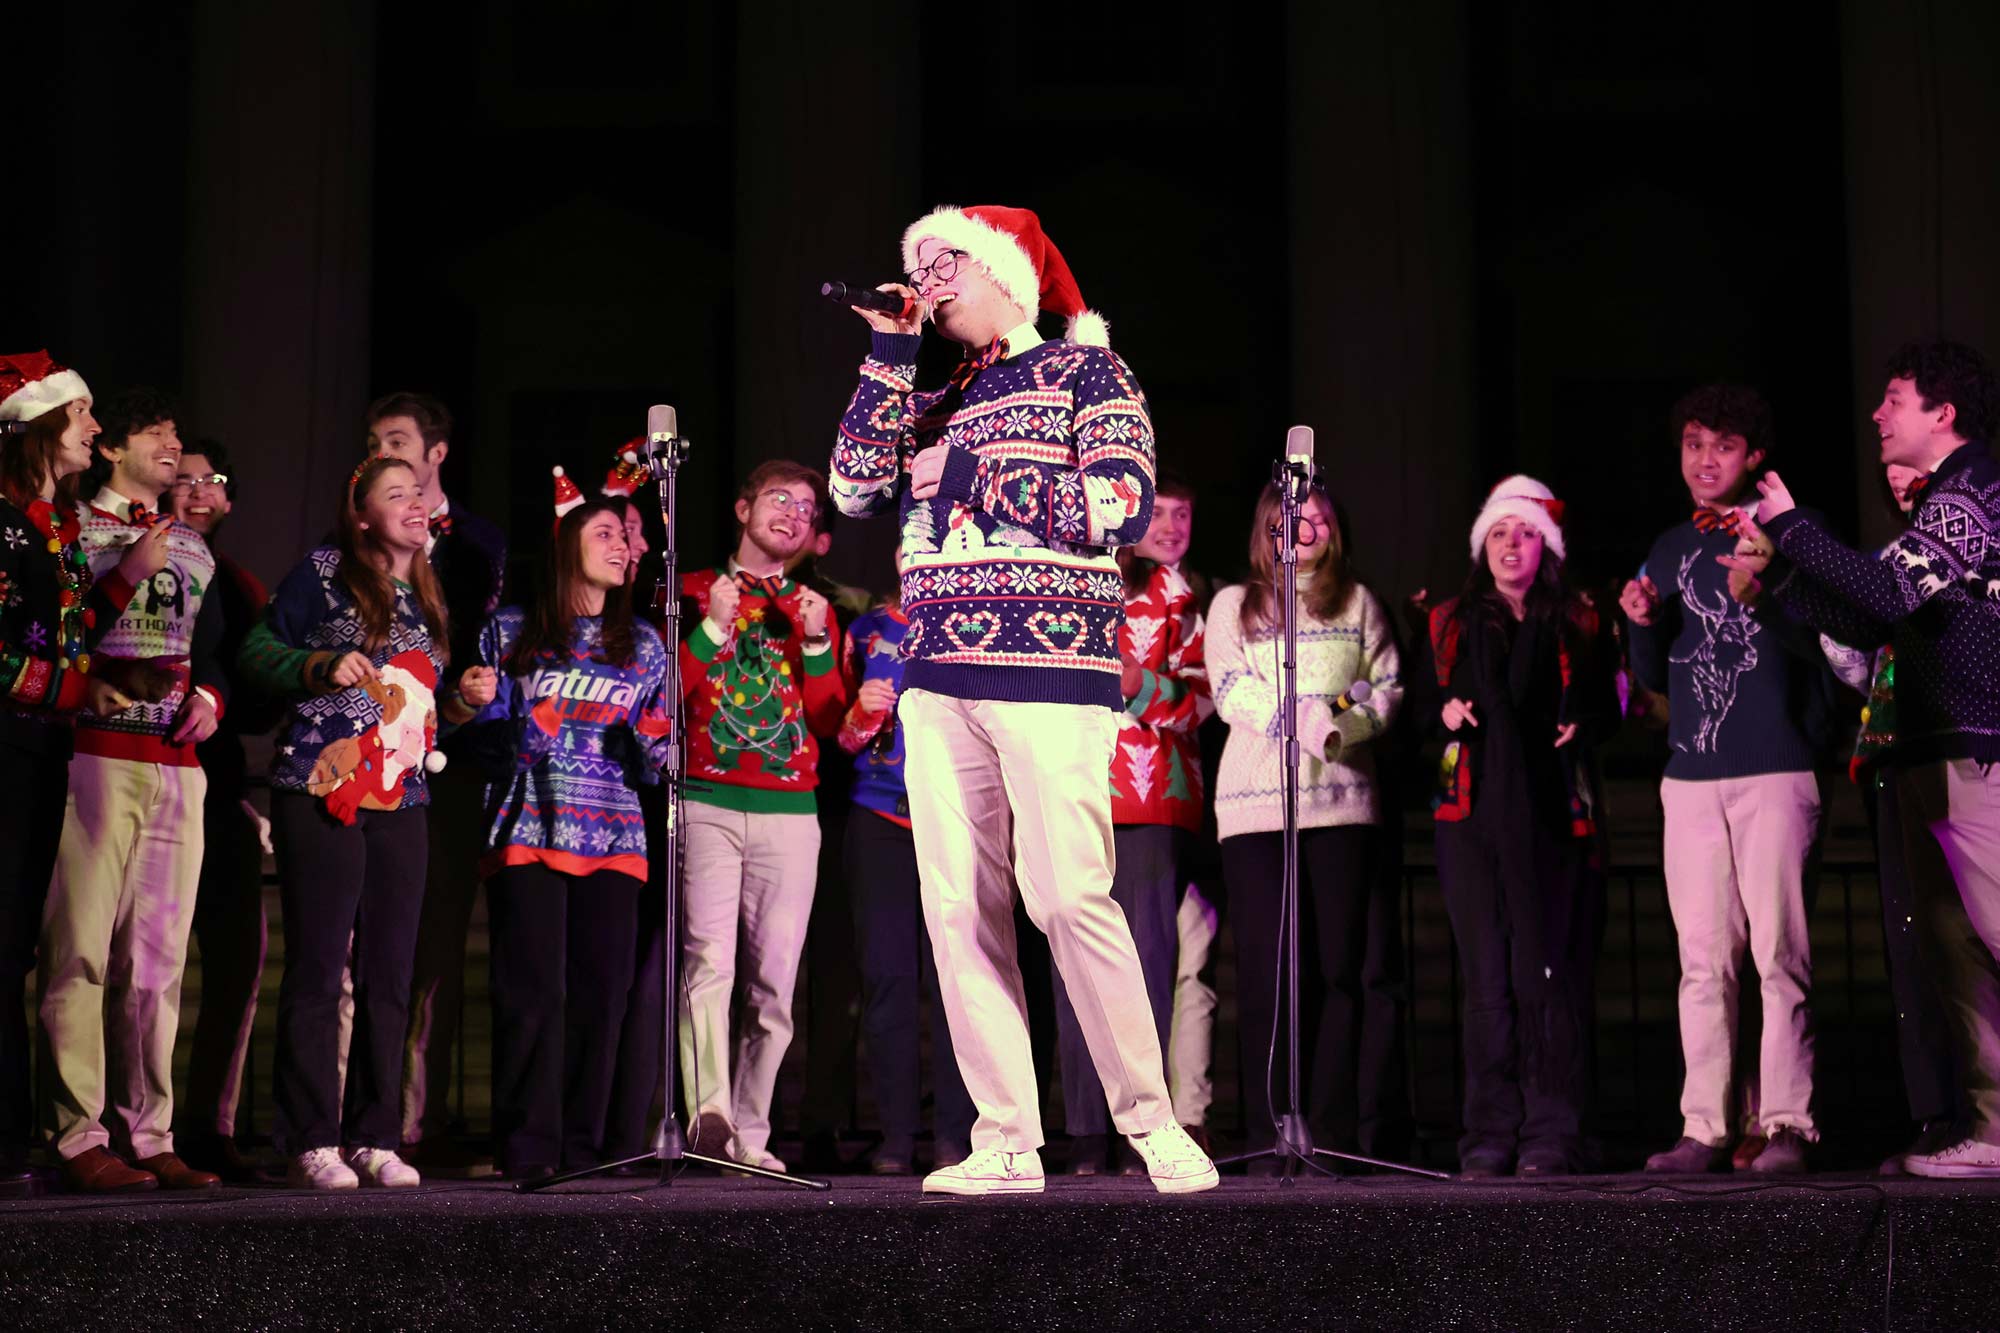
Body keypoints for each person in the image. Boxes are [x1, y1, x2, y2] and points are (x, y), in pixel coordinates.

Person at [830, 203, 1217, 1195]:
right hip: (938, 672)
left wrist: (970, 472)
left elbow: (1117, 509)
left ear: (1006, 267)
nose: (927, 275)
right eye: (915, 261)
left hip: (1050, 671)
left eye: (942, 258)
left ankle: (1150, 1123)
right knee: (957, 909)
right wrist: (886, 355)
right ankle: (1004, 1136)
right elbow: (852, 488)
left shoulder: (1090, 372)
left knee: (1065, 894)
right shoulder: (940, 390)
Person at [1728, 340, 2000, 1179]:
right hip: (1930, 749)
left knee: (1994, 935)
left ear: (1941, 413)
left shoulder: (1973, 492)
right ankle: (1993, 1133)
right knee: (1959, 951)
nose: (1877, 415)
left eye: (1893, 399)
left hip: (1975, 752)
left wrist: (1791, 526)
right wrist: (1774, 578)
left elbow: (1882, 594)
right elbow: (1871, 623)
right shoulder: (1937, 511)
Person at [239, 456, 495, 1189]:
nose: (415, 503)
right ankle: (309, 1136)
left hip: (404, 796)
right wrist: (319, 663)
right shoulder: (322, 572)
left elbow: (414, 714)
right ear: (360, 516)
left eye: (419, 492)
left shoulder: (429, 594)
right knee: (321, 969)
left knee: (390, 971)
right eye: (395, 494)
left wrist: (464, 704)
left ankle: (374, 1134)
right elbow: (258, 651)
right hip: (322, 786)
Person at [1620, 386, 1829, 1176]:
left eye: (1724, 446)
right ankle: (1704, 1123)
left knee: (1780, 953)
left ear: (1756, 457)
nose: (1706, 461)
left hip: (1775, 764)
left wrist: (1772, 594)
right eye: (1694, 444)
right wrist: (1640, 624)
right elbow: (1657, 677)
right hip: (1692, 771)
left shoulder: (1789, 532)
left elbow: (1832, 651)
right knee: (1703, 958)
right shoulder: (1671, 545)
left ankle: (1787, 1121)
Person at [40, 386, 231, 1193]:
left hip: (177, 765)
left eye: (175, 431)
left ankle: (149, 1129)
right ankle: (76, 1132)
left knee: (157, 960)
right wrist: (124, 574)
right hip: (98, 752)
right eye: (154, 431)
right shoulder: (75, 528)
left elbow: (213, 645)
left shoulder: (192, 544)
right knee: (81, 945)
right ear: (113, 448)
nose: (170, 443)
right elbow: (54, 633)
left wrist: (211, 700)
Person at [462, 493, 670, 1180]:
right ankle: (528, 1150)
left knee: (601, 997)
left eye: (626, 537)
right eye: (604, 532)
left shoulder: (643, 643)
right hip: (529, 826)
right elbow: (484, 742)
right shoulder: (510, 631)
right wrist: (529, 730)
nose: (622, 546)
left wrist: (650, 744)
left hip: (614, 835)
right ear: (567, 546)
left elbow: (654, 760)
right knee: (532, 994)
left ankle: (583, 1152)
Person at [1413, 477, 1616, 1176]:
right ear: (1482, 546)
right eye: (1499, 532)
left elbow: (1610, 707)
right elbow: (1417, 711)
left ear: (1545, 546)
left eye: (1525, 532)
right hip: (1471, 816)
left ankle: (1551, 1131)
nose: (1511, 544)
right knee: (1487, 982)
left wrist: (1583, 721)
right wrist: (1440, 714)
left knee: (1545, 977)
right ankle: (1489, 1133)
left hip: (1553, 817)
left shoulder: (1579, 619)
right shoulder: (1449, 620)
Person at [0, 352, 160, 1194]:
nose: (94, 430)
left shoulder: (51, 525)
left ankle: (16, 1141)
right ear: (42, 426)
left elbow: (64, 632)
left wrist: (129, 580)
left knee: (16, 948)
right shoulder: (2, 522)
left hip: (40, 752)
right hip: (10, 751)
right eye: (84, 414)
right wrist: (75, 686)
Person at [1206, 480, 1402, 1166]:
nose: (1308, 524)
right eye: (1295, 516)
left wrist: (1341, 731)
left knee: (1337, 971)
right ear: (1270, 528)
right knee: (1268, 970)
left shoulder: (1357, 602)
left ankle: (1334, 1132)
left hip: (1341, 803)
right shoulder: (1236, 603)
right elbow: (1231, 688)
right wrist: (1306, 721)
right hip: (1256, 809)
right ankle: (1270, 1131)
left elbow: (1387, 684)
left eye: (1320, 515)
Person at [676, 460, 845, 1172]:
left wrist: (813, 642)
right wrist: (712, 628)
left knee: (775, 982)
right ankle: (706, 1115)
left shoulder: (814, 605)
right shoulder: (692, 591)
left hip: (789, 808)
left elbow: (831, 719)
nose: (793, 513)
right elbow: (664, 696)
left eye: (807, 508)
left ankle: (752, 1130)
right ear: (743, 508)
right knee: (709, 963)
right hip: (709, 798)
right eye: (779, 498)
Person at [366, 392, 509, 1176]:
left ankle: (418, 1117)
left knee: (437, 953)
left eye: (397, 439)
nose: (383, 450)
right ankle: (368, 1117)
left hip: (455, 753)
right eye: (374, 441)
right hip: (377, 745)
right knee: (378, 945)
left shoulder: (477, 542)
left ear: (436, 453)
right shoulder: (355, 540)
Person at [1058, 478, 1211, 1175]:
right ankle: (1086, 1131)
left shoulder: (1181, 598)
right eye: (1161, 514)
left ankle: (1142, 1132)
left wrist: (1136, 684)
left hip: (1153, 798)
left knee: (1148, 965)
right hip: (1068, 789)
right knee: (1074, 965)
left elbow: (1205, 702)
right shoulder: (1067, 579)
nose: (1174, 526)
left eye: (1185, 515)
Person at [168, 439, 279, 1182]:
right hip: (143, 771)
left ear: (230, 499)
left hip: (220, 785)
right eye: (184, 478)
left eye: (213, 481)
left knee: (238, 958)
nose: (199, 490)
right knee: (145, 964)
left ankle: (207, 1126)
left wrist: (224, 696)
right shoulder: (131, 559)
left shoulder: (240, 585)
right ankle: (123, 1126)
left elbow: (263, 694)